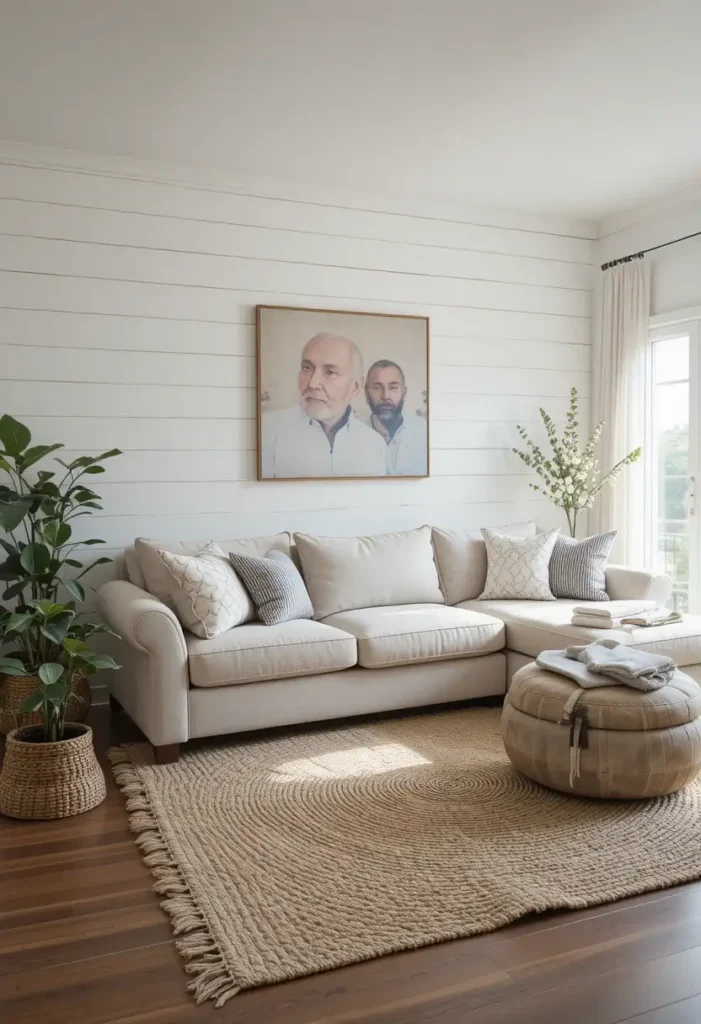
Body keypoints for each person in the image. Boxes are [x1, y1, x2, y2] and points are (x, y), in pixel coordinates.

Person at [261, 333, 388, 478]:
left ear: (355, 387)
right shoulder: (267, 431)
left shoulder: (374, 445)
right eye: (307, 368)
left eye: (330, 372)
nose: (313, 383)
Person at [364, 359, 428, 476]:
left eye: (393, 388)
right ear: (366, 393)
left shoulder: (424, 432)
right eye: (377, 388)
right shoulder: (355, 435)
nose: (385, 396)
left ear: (403, 393)